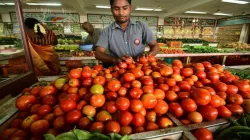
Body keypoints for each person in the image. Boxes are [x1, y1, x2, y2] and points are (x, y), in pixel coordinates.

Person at [95, 0, 159, 67]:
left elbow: (155, 46)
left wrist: (148, 55)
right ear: (111, 9)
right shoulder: (107, 31)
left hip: (140, 70)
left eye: (125, 8)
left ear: (130, 8)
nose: (121, 13)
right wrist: (115, 60)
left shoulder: (141, 27)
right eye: (116, 9)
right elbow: (98, 54)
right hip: (118, 71)